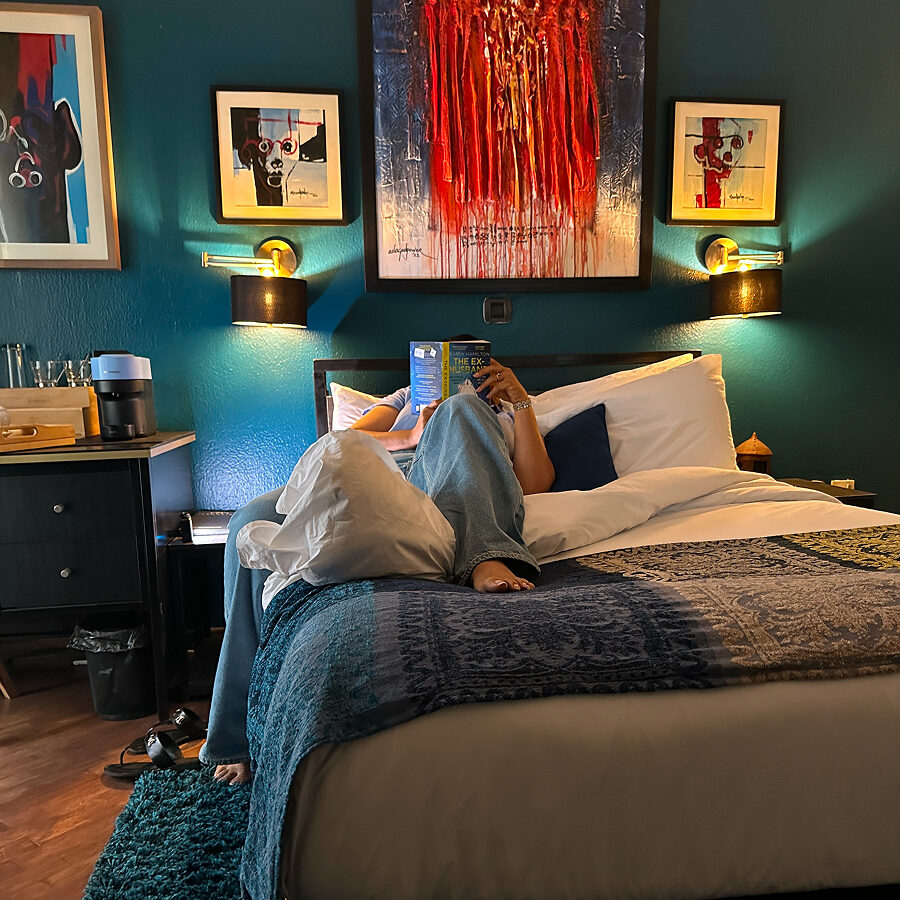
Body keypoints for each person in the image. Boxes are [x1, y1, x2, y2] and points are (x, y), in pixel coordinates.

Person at [203, 355, 553, 784]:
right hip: (385, 484)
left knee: (460, 407)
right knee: (249, 521)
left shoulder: (498, 410)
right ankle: (234, 736)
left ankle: (484, 556)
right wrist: (411, 434)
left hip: (448, 492)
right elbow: (344, 443)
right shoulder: (406, 398)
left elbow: (536, 483)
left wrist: (521, 401)